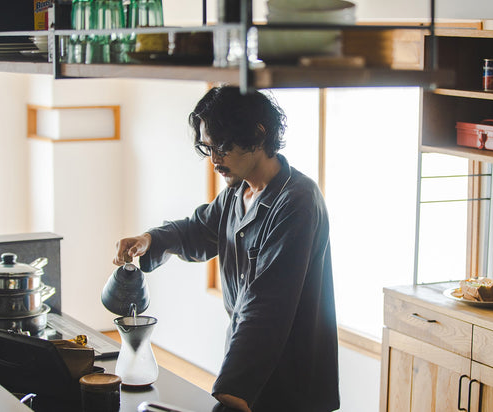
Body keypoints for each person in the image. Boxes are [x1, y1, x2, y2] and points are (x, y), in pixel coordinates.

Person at [113, 86, 339, 412]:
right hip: (249, 362)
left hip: (291, 379)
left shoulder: (297, 201)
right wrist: (148, 240)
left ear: (258, 134)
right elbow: (197, 230)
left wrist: (231, 392)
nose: (215, 160)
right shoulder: (238, 193)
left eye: (222, 146)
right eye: (208, 148)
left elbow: (266, 308)